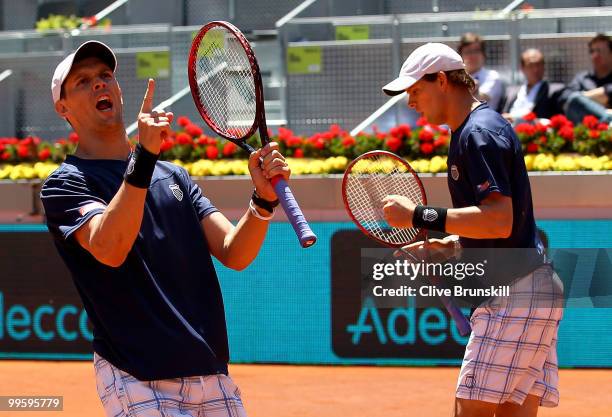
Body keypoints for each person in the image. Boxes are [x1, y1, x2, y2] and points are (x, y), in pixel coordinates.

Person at [41, 40, 290, 416]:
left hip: (210, 371)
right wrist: (143, 158)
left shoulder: (175, 177)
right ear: (63, 109)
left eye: (105, 76)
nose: (99, 84)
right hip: (136, 375)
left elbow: (235, 252)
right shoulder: (65, 184)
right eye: (83, 81)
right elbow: (110, 247)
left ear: (119, 89)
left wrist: (263, 200)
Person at [382, 43, 563, 417]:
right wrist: (447, 246)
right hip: (533, 287)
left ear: (443, 81)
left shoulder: (478, 133)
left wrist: (418, 216)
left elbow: (499, 220)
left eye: (415, 90)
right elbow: (493, 226)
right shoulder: (477, 128)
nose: (411, 102)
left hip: (515, 292)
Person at [561, 33, 612, 124]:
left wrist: (584, 100)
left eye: (600, 51)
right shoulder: (582, 78)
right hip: (586, 130)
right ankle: (608, 120)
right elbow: (565, 99)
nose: (595, 55)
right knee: (575, 99)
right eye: (592, 51)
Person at [503, 48, 563, 121]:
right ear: (522, 68)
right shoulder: (511, 92)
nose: (535, 69)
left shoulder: (553, 92)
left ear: (544, 66)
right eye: (531, 65)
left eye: (538, 64)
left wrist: (515, 118)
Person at [458, 32, 506, 112]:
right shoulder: (457, 76)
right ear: (461, 55)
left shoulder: (492, 76)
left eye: (476, 51)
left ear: (483, 54)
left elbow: (482, 98)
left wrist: (473, 90)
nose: (472, 56)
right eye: (468, 52)